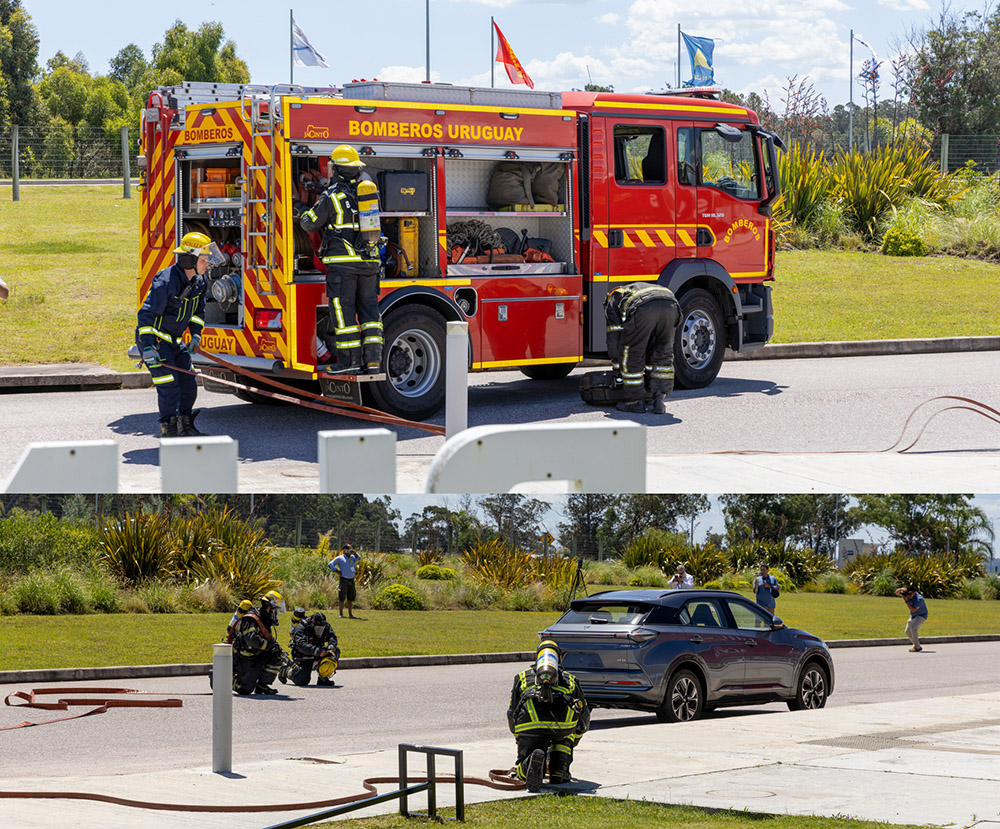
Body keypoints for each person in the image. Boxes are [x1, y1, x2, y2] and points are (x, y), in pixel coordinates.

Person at [300, 144, 384, 374]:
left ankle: (349, 362)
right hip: (369, 263)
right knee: (369, 312)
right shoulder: (368, 192)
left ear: (336, 170)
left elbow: (309, 223)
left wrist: (301, 208)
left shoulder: (332, 197)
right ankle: (373, 362)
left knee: (343, 311)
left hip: (343, 265)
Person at [136, 231, 224, 438]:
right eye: (204, 260)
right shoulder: (165, 281)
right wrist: (148, 346)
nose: (208, 264)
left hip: (175, 342)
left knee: (188, 385)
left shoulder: (199, 283)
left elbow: (198, 313)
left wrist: (195, 335)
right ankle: (170, 429)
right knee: (169, 386)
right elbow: (146, 315)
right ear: (189, 260)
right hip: (156, 343)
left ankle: (186, 426)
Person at [507, 640, 589, 792]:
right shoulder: (571, 680)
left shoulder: (522, 677)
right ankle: (559, 770)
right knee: (568, 733)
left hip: (529, 727)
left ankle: (527, 765)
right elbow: (584, 716)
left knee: (525, 761)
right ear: (559, 658)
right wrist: (576, 737)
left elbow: (512, 713)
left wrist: (518, 736)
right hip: (562, 729)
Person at [604, 282, 680, 415]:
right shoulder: (634, 289)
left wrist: (618, 370)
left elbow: (614, 340)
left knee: (632, 352)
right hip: (671, 305)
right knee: (663, 352)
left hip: (644, 308)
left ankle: (635, 402)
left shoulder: (612, 302)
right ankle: (658, 400)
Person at [228, 590, 287, 695]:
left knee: (276, 656)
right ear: (267, 606)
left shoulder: (265, 620)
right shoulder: (251, 619)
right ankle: (221, 678)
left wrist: (277, 649)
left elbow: (268, 639)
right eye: (275, 610)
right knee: (245, 689)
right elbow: (251, 640)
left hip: (257, 655)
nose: (275, 613)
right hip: (244, 657)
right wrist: (270, 646)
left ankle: (262, 686)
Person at [289, 611, 341, 686]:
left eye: (321, 628)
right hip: (303, 655)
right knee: (302, 680)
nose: (319, 629)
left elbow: (332, 636)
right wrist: (317, 651)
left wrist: (331, 647)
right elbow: (301, 645)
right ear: (312, 623)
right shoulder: (302, 627)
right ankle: (286, 670)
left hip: (319, 651)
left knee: (336, 651)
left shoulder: (325, 625)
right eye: (317, 627)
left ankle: (322, 678)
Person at [328, 543, 362, 619]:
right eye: (349, 549)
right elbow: (330, 564)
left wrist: (355, 553)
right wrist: (336, 571)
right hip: (344, 580)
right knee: (342, 597)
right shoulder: (340, 558)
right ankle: (341, 614)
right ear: (345, 550)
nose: (351, 550)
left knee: (350, 598)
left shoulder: (352, 557)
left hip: (351, 580)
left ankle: (350, 614)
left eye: (351, 549)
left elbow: (359, 558)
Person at [895, 586, 928, 652]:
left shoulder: (919, 599)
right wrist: (901, 589)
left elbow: (913, 610)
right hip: (913, 616)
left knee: (913, 628)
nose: (909, 595)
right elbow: (896, 593)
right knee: (907, 631)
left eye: (910, 594)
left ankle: (917, 647)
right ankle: (916, 645)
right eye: (908, 593)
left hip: (921, 616)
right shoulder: (907, 594)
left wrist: (906, 601)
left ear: (914, 593)